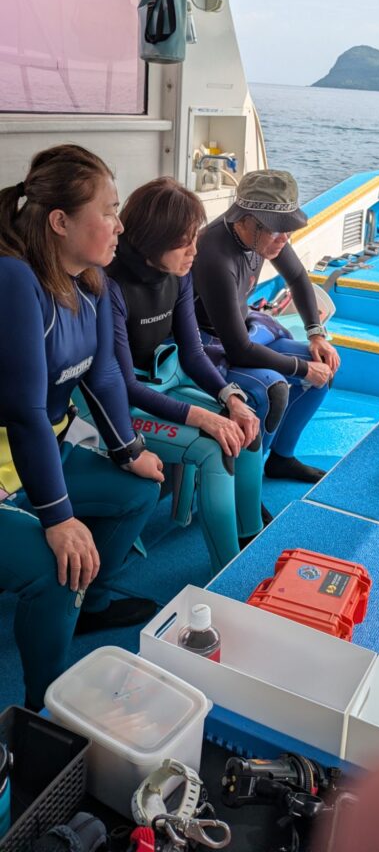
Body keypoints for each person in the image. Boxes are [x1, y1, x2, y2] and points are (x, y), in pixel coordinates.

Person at [0, 144, 165, 711]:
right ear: (60, 222)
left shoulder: (90, 281)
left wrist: (129, 451)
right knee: (56, 565)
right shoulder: (14, 280)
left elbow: (105, 376)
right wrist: (59, 517)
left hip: (39, 451)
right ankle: (42, 711)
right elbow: (24, 410)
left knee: (139, 489)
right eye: (109, 211)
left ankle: (88, 606)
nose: (120, 225)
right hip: (9, 460)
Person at [106, 178, 264, 572]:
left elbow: (192, 352)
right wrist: (204, 418)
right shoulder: (110, 285)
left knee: (245, 424)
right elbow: (125, 386)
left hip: (165, 378)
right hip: (118, 402)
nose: (195, 250)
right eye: (184, 242)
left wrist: (230, 398)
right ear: (152, 240)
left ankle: (252, 536)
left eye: (196, 238)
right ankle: (229, 572)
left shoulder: (178, 274)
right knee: (215, 447)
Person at [193, 171, 341, 483]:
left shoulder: (265, 234)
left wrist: (315, 334)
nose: (284, 238)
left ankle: (281, 459)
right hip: (207, 345)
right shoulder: (215, 256)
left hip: (241, 331)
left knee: (324, 363)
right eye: (277, 229)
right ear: (245, 220)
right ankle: (243, 486)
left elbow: (297, 278)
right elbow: (238, 351)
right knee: (273, 389)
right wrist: (302, 369)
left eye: (288, 229)